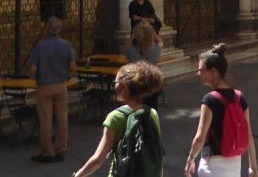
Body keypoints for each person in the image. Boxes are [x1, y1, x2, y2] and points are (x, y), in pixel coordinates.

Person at [72, 61, 164, 177]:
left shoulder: (115, 117)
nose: (114, 86)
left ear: (124, 87)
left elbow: (98, 159)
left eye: (115, 82)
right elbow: (156, 152)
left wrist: (78, 175)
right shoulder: (152, 113)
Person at [185, 45, 258, 177]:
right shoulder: (240, 97)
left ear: (213, 71)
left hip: (212, 167)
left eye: (201, 70)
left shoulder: (209, 100)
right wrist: (253, 168)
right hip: (234, 167)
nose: (198, 73)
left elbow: (200, 137)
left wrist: (190, 158)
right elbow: (248, 135)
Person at [26, 16, 77, 163]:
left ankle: (46, 152)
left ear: (47, 29)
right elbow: (72, 67)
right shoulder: (66, 45)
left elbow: (33, 68)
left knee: (45, 121)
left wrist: (33, 76)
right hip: (61, 85)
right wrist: (66, 74)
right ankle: (61, 149)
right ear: (60, 29)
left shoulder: (40, 46)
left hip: (44, 86)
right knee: (62, 119)